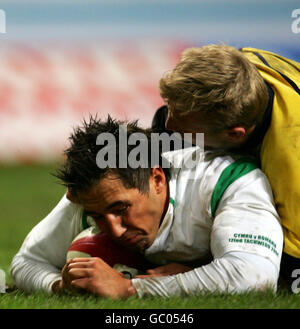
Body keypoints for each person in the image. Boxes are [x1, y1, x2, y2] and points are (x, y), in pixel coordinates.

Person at [11, 116, 283, 298]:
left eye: (121, 209)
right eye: (96, 216)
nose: (114, 230)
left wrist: (131, 288)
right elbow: (27, 262)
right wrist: (61, 286)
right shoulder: (95, 195)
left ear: (156, 180)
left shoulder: (227, 181)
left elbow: (254, 275)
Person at [153, 44, 300, 287]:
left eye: (184, 126)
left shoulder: (291, 169)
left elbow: (289, 276)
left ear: (234, 135)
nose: (169, 123)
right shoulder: (239, 67)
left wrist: (197, 268)